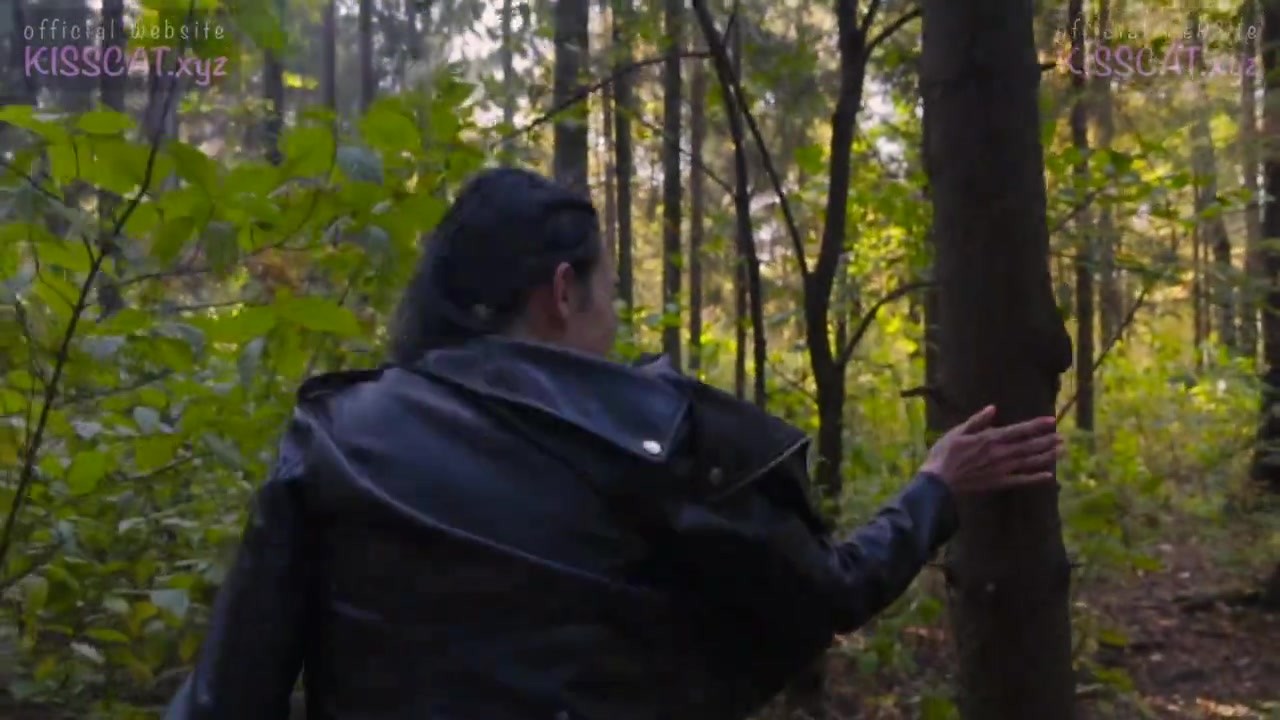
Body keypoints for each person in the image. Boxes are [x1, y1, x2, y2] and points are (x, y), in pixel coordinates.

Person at [164, 167, 1062, 720]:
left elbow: (224, 698)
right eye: (608, 292)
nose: (613, 321)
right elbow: (824, 591)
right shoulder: (651, 437)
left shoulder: (331, 436)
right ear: (562, 292)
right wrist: (935, 489)